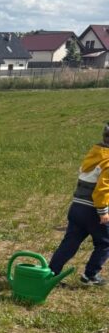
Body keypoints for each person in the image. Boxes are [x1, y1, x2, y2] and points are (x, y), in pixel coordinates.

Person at [49, 122, 109, 286]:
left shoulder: (95, 154)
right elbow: (102, 189)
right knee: (105, 243)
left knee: (70, 242)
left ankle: (52, 272)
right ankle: (90, 275)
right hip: (94, 210)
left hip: (77, 207)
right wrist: (103, 211)